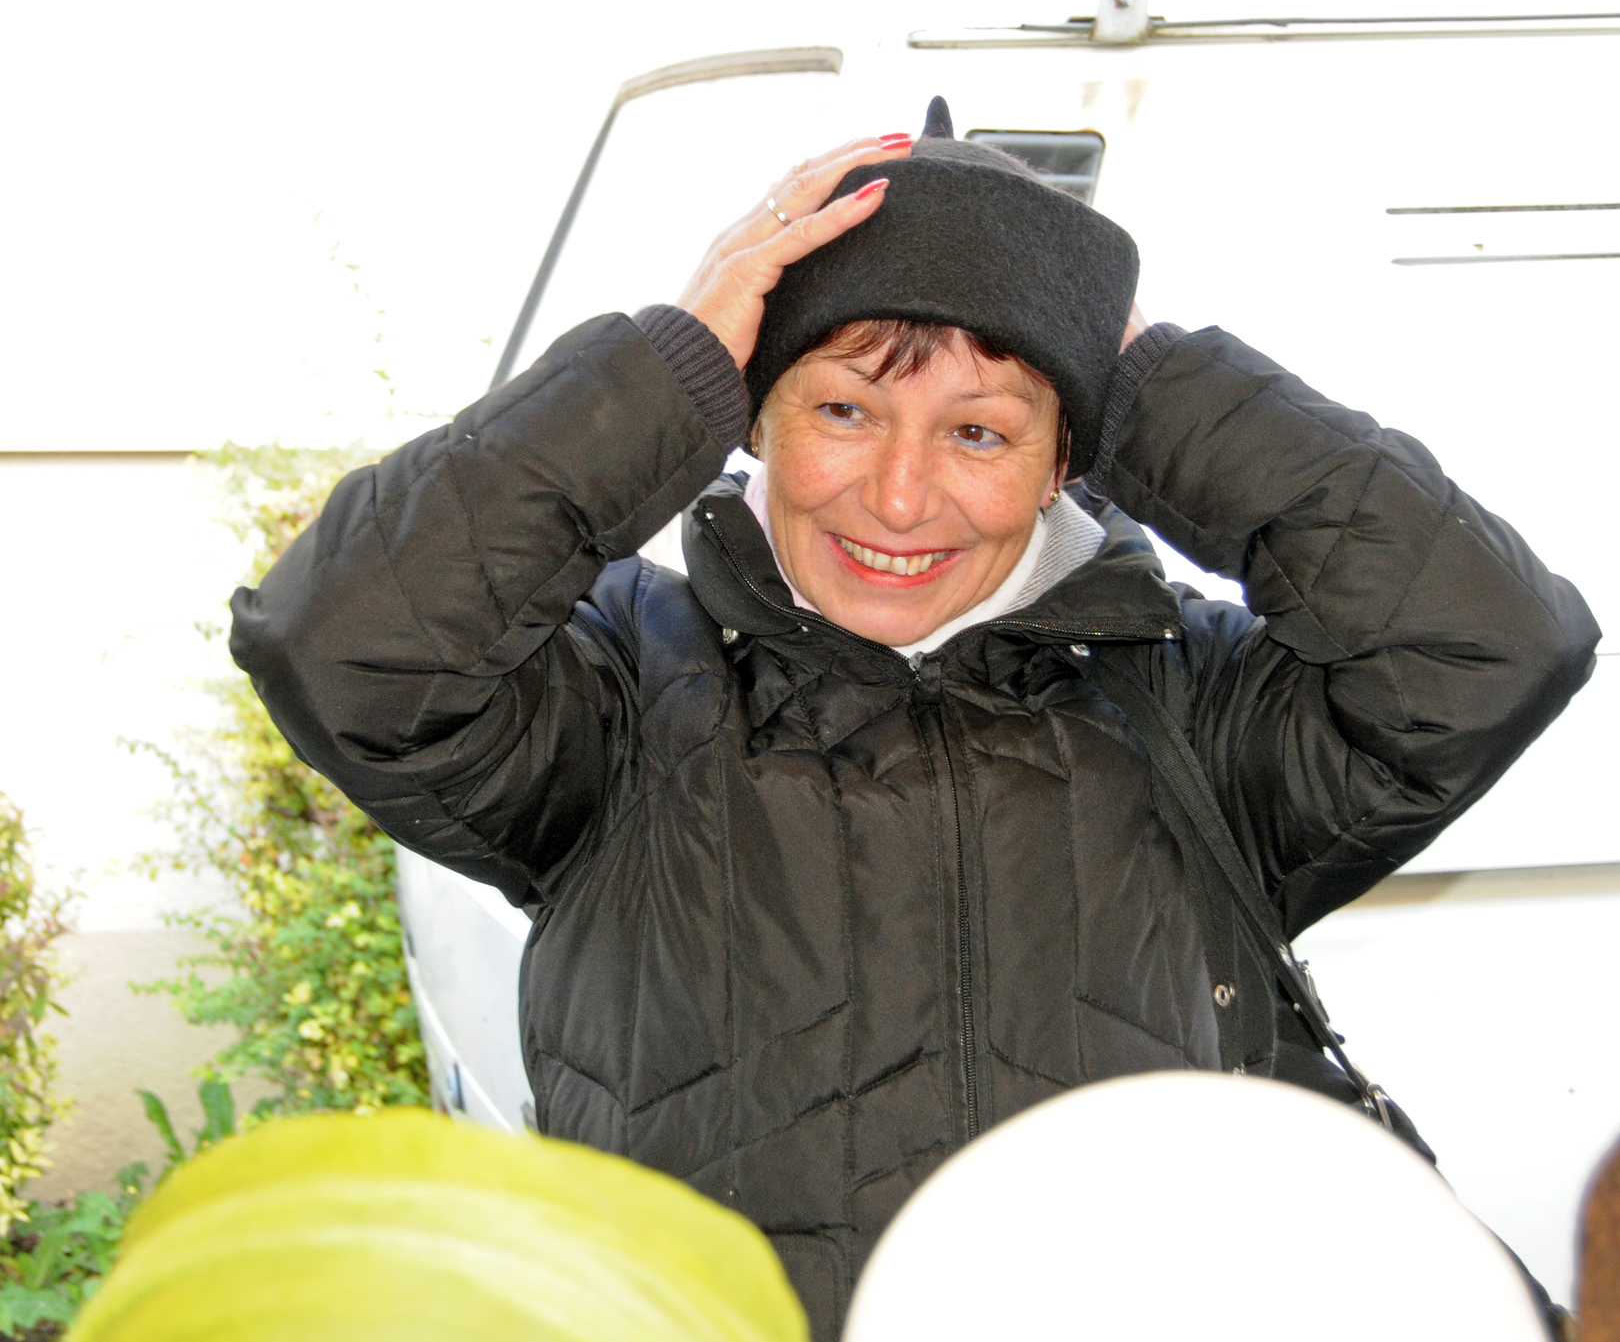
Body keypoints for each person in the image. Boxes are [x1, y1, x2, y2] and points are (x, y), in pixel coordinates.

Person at [230, 100, 1600, 1340]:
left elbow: (1495, 643)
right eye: (843, 408)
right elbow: (341, 641)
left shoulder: (1193, 702)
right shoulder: (619, 695)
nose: (898, 496)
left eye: (981, 431)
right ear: (750, 419)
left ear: (1069, 456)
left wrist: (1153, 389)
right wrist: (666, 365)